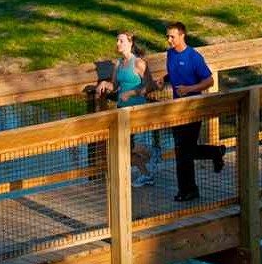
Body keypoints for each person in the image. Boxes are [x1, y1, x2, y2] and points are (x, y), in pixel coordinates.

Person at [156, 22, 226, 202]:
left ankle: (188, 190)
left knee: (183, 150)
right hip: (176, 109)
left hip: (193, 107)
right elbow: (175, 73)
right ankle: (215, 152)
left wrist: (189, 89)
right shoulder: (170, 54)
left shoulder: (194, 56)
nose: (169, 40)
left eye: (172, 36)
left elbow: (209, 80)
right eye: (167, 36)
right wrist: (163, 79)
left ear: (182, 36)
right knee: (184, 149)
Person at [95, 32, 157, 186]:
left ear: (130, 43)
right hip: (121, 111)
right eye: (117, 40)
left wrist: (132, 92)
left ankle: (153, 157)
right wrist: (104, 84)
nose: (118, 43)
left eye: (121, 41)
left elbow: (149, 86)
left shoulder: (139, 63)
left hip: (137, 111)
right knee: (123, 147)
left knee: (136, 147)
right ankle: (145, 174)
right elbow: (115, 86)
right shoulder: (118, 64)